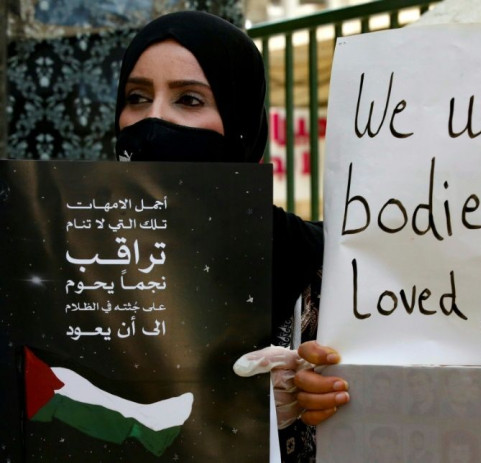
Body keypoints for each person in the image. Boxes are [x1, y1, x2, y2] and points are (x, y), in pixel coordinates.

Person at [113, 10, 347, 461]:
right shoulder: (76, 257)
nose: (154, 119)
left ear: (241, 120)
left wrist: (331, 396)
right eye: (138, 97)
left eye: (190, 100)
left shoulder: (329, 267)